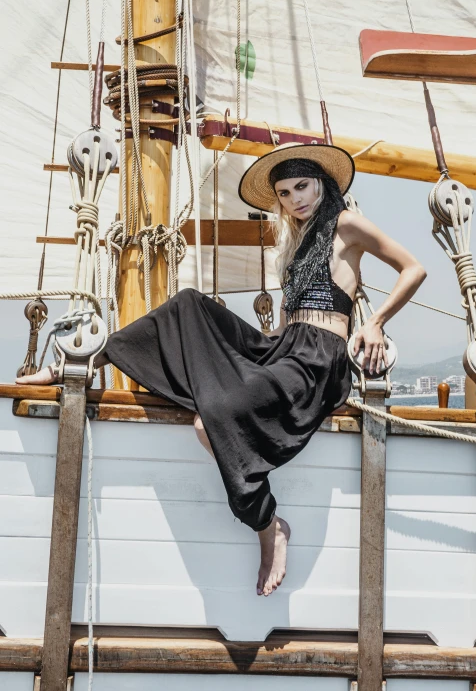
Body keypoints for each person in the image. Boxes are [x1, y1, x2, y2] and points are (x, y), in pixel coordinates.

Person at [16, 142, 426, 597]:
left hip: (318, 361)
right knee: (189, 305)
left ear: (323, 184)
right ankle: (85, 362)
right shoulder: (294, 243)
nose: (296, 200)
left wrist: (375, 322)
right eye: (285, 193)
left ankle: (268, 524)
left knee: (208, 420)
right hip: (286, 349)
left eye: (303, 187)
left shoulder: (346, 224)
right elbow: (290, 323)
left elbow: (414, 269)